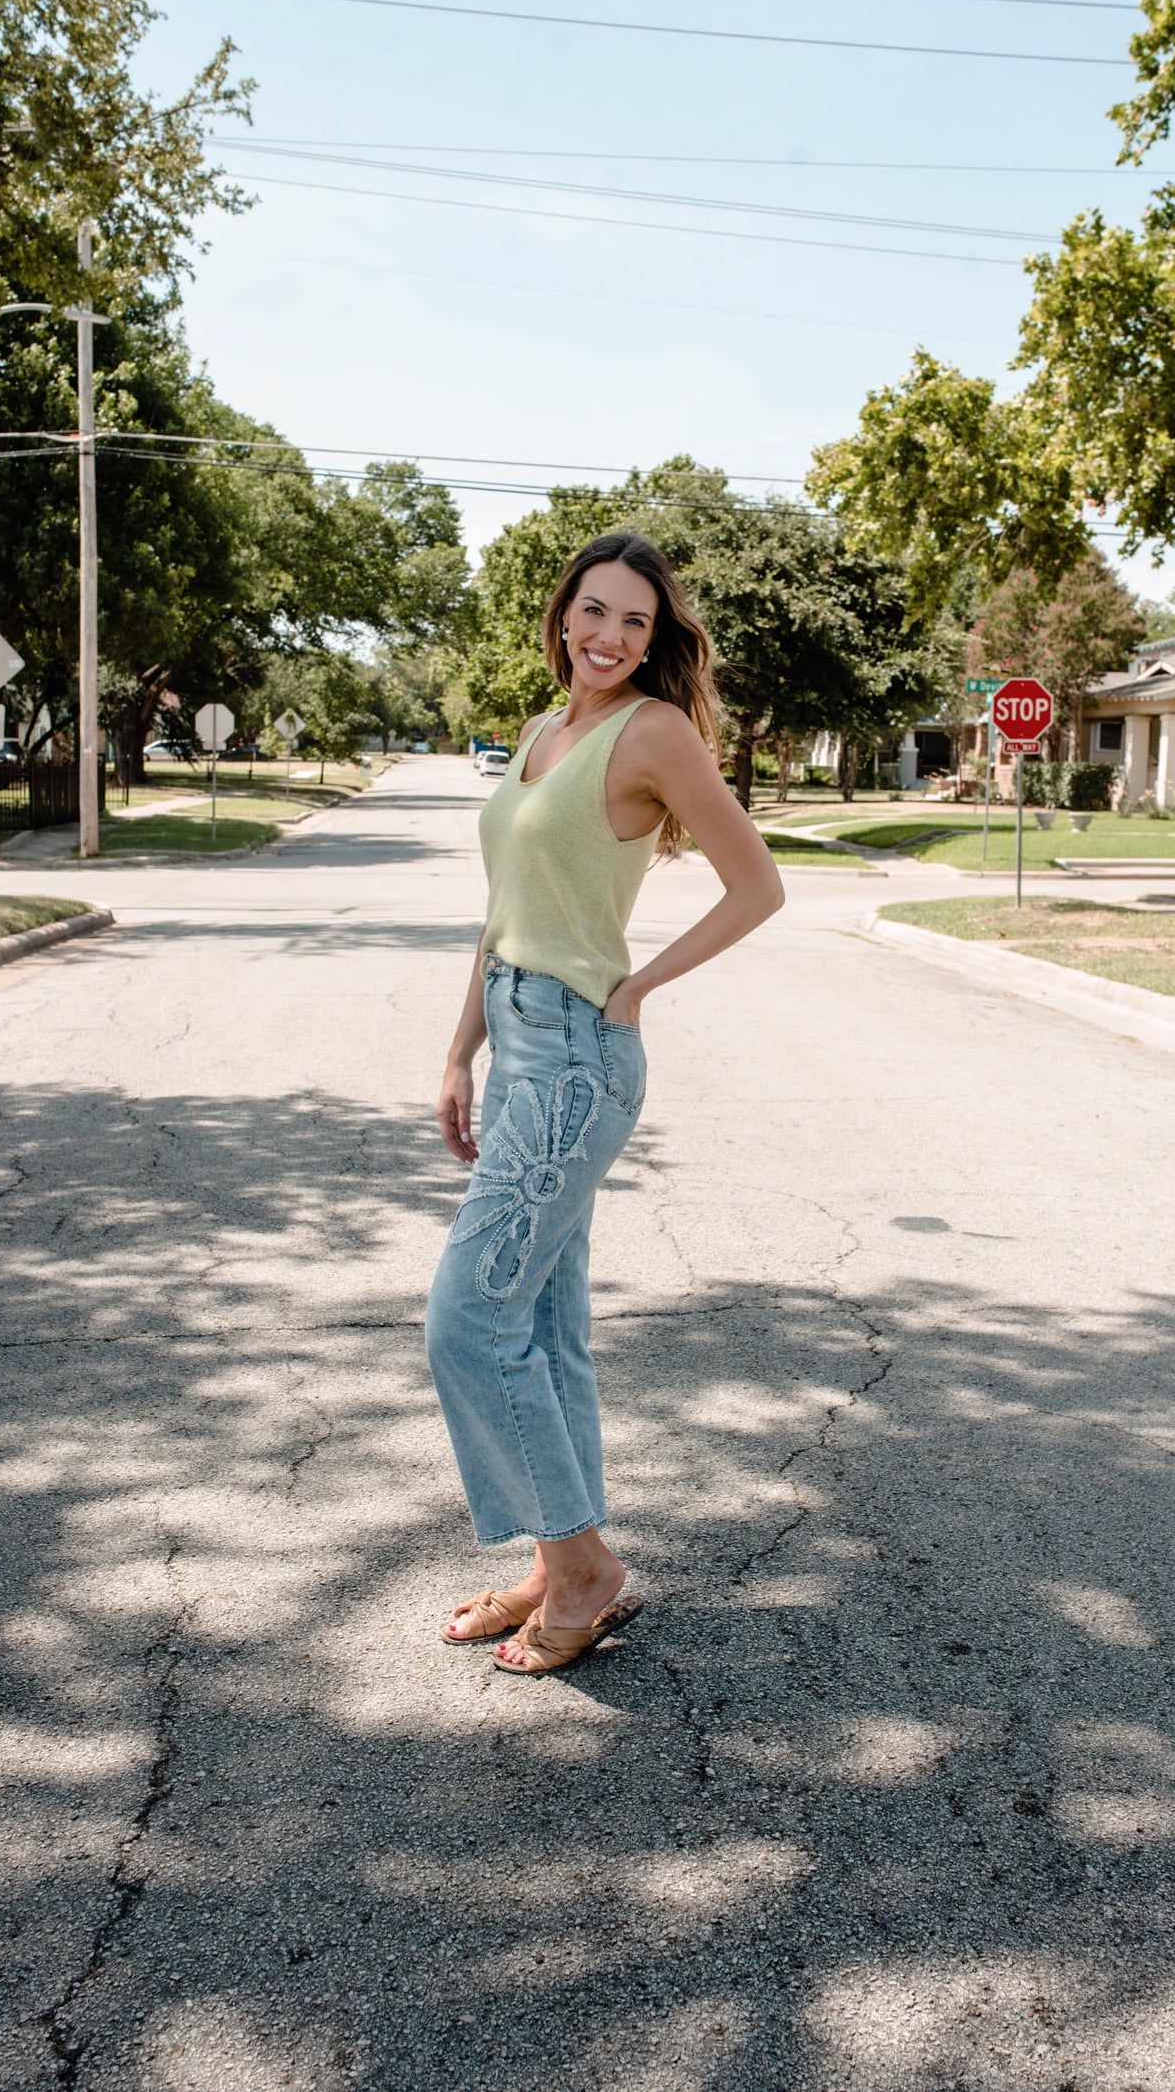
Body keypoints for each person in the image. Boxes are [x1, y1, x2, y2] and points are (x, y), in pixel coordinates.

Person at [425, 530, 784, 1676]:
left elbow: (757, 884)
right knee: (536, 1323)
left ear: (656, 635)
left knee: (467, 1316)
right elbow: (502, 913)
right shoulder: (543, 730)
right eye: (592, 611)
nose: (607, 636)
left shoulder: (655, 732)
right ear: (560, 615)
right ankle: (555, 1557)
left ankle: (584, 1566)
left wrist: (639, 986)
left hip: (580, 1058)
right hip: (517, 1035)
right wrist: (458, 1052)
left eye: (633, 620)